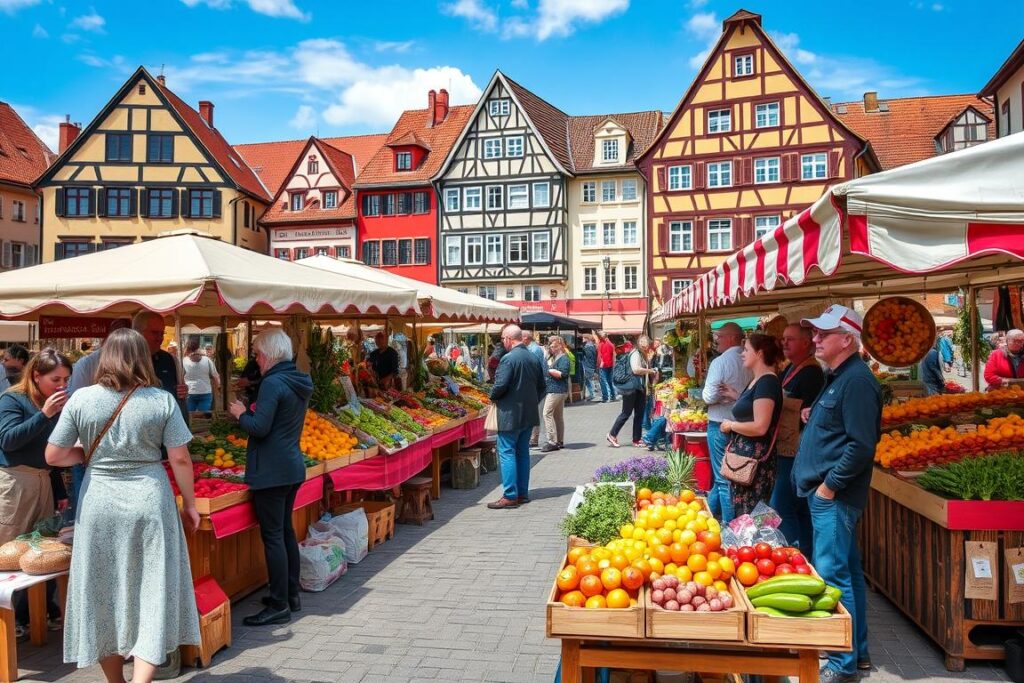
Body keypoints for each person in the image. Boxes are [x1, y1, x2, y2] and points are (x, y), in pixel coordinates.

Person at [45, 328, 200, 682]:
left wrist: (90, 455)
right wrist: (190, 504)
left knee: (103, 591)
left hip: (99, 500)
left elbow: (53, 455)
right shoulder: (160, 401)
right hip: (150, 498)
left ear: (105, 357)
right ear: (143, 357)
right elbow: (180, 459)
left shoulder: (82, 399)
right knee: (153, 588)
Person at [795, 305, 881, 681]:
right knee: (847, 573)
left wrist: (829, 487)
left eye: (823, 334)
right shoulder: (841, 376)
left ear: (847, 339)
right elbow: (843, 428)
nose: (815, 339)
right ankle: (856, 654)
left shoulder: (858, 380)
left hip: (834, 497)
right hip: (828, 495)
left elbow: (862, 446)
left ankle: (840, 664)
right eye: (815, 333)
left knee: (833, 577)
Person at [228, 329, 312, 626]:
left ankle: (279, 604)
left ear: (270, 354)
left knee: (274, 536)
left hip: (272, 471)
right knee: (285, 532)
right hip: (291, 465)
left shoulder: (273, 383)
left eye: (258, 354)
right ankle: (290, 594)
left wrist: (240, 413)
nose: (257, 360)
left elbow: (259, 427)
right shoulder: (297, 379)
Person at [0, 349, 72, 639]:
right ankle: (9, 620)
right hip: (15, 484)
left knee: (43, 550)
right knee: (8, 552)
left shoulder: (52, 403)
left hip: (42, 481)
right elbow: (7, 439)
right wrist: (44, 415)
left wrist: (58, 490)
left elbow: (51, 452)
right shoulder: (11, 399)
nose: (62, 385)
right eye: (56, 379)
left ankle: (37, 615)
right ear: (36, 375)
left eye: (66, 379)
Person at [67, 319, 131, 514]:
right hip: (88, 447)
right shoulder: (86, 364)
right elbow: (74, 408)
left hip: (120, 447)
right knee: (87, 505)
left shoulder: (133, 366)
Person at [770, 324, 825, 551]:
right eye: (783, 339)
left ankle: (790, 556)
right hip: (786, 447)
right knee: (798, 507)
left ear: (806, 343)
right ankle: (806, 554)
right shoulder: (791, 367)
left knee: (782, 506)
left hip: (796, 450)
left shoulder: (812, 372)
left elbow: (811, 411)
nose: (784, 343)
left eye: (789, 339)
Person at [718, 334, 785, 517]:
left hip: (755, 463)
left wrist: (731, 425)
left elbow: (760, 426)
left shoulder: (767, 382)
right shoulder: (758, 380)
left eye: (747, 350)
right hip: (745, 460)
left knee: (751, 516)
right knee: (744, 515)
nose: (742, 354)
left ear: (760, 353)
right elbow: (753, 408)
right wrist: (737, 396)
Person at [487, 324, 546, 509]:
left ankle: (510, 495)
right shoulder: (533, 357)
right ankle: (522, 493)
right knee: (522, 453)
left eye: (503, 338)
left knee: (506, 452)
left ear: (508, 339)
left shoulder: (508, 359)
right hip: (528, 414)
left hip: (510, 414)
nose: (502, 342)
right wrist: (531, 401)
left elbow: (500, 385)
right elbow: (543, 386)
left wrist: (492, 396)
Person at [701, 322, 752, 522]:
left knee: (724, 479)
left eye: (719, 337)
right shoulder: (750, 359)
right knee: (734, 475)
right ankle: (707, 514)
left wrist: (723, 397)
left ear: (731, 338)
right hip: (743, 424)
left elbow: (707, 396)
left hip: (720, 423)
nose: (716, 341)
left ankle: (728, 525)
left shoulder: (720, 362)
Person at [132, 312, 188, 416]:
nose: (160, 338)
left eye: (162, 333)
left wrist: (183, 391)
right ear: (138, 333)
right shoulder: (123, 360)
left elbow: (181, 390)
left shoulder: (171, 360)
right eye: (154, 333)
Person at [607, 335, 658, 448]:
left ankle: (637, 439)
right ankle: (612, 434)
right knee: (626, 413)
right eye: (643, 342)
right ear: (639, 343)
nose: (645, 344)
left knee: (639, 414)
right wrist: (650, 371)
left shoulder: (642, 354)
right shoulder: (635, 353)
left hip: (639, 388)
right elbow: (635, 369)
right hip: (631, 388)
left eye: (647, 342)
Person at [541, 336, 570, 452]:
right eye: (551, 346)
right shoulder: (554, 357)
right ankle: (560, 440)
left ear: (561, 346)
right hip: (558, 390)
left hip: (556, 390)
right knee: (558, 416)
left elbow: (563, 374)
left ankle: (552, 441)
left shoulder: (563, 358)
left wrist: (550, 370)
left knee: (546, 413)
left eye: (554, 346)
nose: (552, 348)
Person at [183, 337, 221, 412]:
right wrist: (219, 389)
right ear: (198, 347)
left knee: (189, 416)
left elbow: (180, 376)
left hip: (190, 393)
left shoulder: (184, 360)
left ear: (187, 348)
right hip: (205, 392)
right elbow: (216, 376)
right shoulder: (207, 360)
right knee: (204, 417)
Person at [597, 332, 617, 402]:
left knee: (603, 381)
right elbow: (614, 355)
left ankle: (606, 397)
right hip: (610, 365)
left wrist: (599, 364)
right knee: (609, 381)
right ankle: (613, 395)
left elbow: (600, 356)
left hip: (603, 365)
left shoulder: (601, 343)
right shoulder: (611, 344)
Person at [582, 335, 598, 401]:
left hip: (588, 365)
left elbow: (589, 357)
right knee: (588, 380)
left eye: (583, 338)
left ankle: (592, 394)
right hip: (591, 365)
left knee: (589, 380)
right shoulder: (592, 346)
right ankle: (592, 394)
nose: (582, 339)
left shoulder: (587, 347)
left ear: (587, 339)